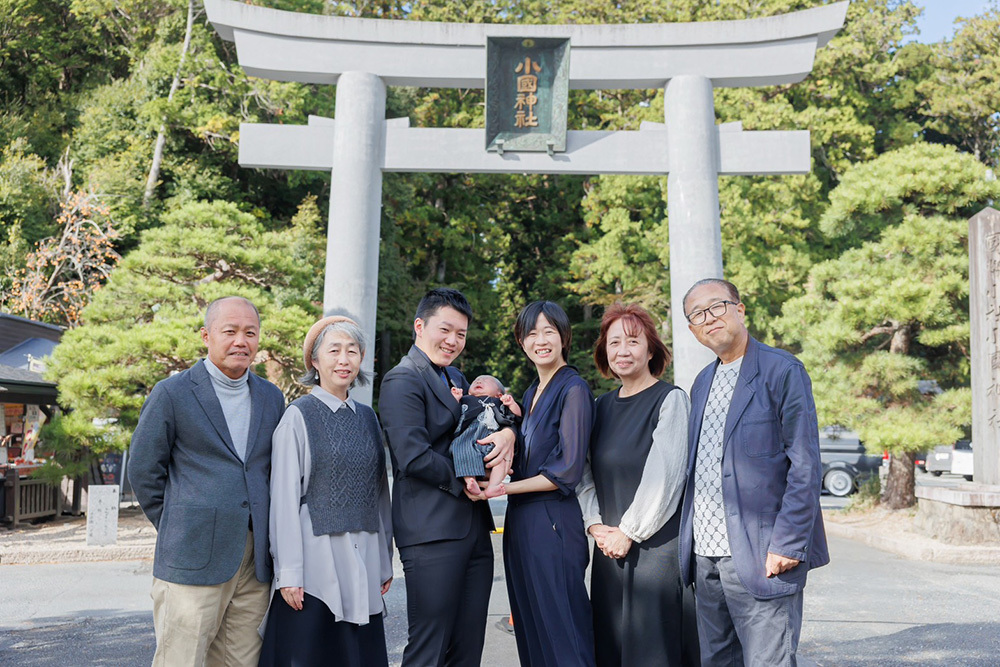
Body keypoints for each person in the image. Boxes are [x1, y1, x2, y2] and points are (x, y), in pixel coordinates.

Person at [678, 278, 829, 667]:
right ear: (693, 331)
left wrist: (788, 543)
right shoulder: (702, 383)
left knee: (768, 661)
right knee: (717, 661)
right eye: (697, 315)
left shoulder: (782, 370)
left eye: (716, 307)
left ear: (740, 310)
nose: (708, 319)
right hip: (706, 556)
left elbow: (806, 464)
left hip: (762, 554)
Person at [129, 296, 285, 667]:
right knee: (181, 659)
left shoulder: (271, 396)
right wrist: (178, 524)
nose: (240, 341)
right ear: (206, 336)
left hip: (254, 561)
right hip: (191, 555)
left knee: (241, 661)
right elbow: (144, 469)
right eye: (229, 331)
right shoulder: (173, 393)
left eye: (250, 333)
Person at [378, 287, 516, 667]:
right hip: (430, 532)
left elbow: (479, 424)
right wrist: (467, 480)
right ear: (420, 326)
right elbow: (413, 456)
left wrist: (508, 432)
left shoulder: (454, 375)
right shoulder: (401, 380)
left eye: (461, 334)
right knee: (429, 647)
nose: (453, 341)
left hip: (472, 528)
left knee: (468, 647)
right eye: (446, 330)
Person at [258, 315, 393, 667]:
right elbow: (284, 500)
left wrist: (384, 560)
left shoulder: (368, 417)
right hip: (315, 558)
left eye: (352, 351)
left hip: (363, 556)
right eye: (334, 351)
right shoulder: (298, 416)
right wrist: (288, 572)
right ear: (315, 362)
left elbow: (379, 493)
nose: (344, 360)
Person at [577, 302, 699, 667]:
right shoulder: (599, 407)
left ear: (651, 349)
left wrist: (628, 532)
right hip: (607, 550)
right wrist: (595, 525)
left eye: (632, 341)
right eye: (614, 343)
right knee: (610, 649)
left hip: (654, 551)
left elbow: (667, 475)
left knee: (652, 650)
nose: (622, 351)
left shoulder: (670, 400)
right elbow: (583, 473)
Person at [496, 300, 595, 667]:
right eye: (531, 333)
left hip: (552, 523)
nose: (541, 340)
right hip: (522, 522)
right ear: (521, 341)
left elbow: (566, 470)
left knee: (563, 629)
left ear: (564, 337)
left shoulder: (574, 389)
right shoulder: (530, 393)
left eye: (548, 331)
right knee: (532, 627)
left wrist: (504, 489)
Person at [448, 374, 522, 498]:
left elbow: (517, 418)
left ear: (499, 394)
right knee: (460, 450)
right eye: (476, 380)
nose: (479, 381)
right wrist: (455, 399)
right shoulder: (465, 399)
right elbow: (451, 413)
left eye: (486, 380)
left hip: (493, 439)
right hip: (468, 439)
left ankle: (494, 485)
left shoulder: (499, 402)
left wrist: (512, 404)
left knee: (503, 456)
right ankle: (470, 481)